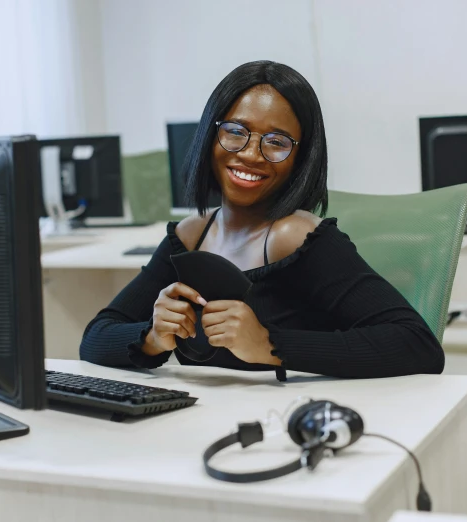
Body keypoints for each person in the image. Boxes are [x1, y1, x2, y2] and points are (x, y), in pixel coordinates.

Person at [79, 60, 444, 380]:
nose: (252, 154)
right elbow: (95, 338)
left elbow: (416, 343)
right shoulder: (191, 235)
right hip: (200, 424)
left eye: (277, 141)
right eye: (236, 132)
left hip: (287, 432)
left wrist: (270, 345)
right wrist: (152, 337)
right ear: (210, 135)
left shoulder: (297, 237)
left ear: (300, 158)